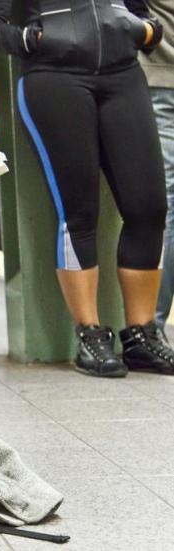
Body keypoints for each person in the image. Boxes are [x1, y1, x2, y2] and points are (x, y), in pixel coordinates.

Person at [0, 0, 174, 377]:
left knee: (149, 208)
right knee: (78, 213)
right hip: (53, 79)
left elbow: (142, 13)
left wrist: (144, 30)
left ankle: (142, 336)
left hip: (124, 76)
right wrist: (32, 39)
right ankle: (90, 335)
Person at [132, 0, 174, 336]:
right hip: (160, 76)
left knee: (167, 202)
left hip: (160, 73)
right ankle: (150, 324)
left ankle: (151, 325)